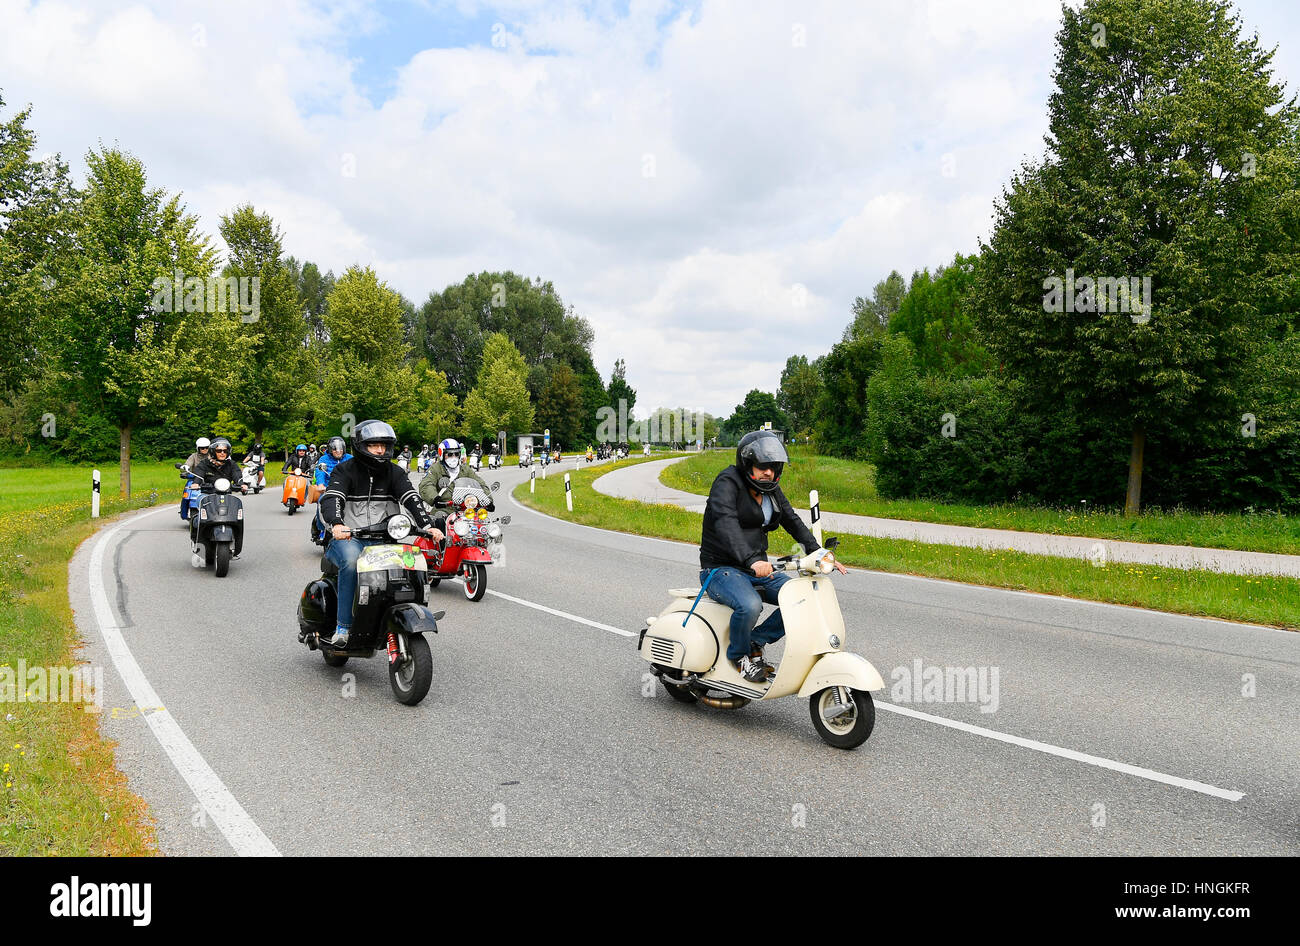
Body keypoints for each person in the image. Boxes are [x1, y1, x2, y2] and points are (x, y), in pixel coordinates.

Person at [698, 430, 846, 683]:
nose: (768, 472)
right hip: (721, 569)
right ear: (748, 465)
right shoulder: (727, 482)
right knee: (750, 605)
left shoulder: (770, 490)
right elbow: (726, 524)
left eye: (773, 467)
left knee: (804, 599)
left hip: (757, 568)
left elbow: (792, 520)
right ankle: (739, 657)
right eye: (762, 466)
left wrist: (820, 554)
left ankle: (756, 640)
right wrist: (750, 560)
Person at [318, 420, 441, 648]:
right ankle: (343, 628)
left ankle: (402, 614)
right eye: (374, 444)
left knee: (413, 559)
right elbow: (333, 497)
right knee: (353, 561)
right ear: (361, 445)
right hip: (349, 538)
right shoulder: (344, 470)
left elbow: (411, 498)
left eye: (384, 445)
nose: (380, 450)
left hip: (384, 539)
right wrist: (336, 524)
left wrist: (428, 525)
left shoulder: (394, 472)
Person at [418, 438, 495, 534]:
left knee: (482, 525)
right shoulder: (435, 469)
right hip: (444, 508)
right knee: (439, 520)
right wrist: (435, 498)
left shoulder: (465, 470)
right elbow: (426, 484)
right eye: (450, 454)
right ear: (442, 455)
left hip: (466, 509)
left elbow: (480, 483)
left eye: (456, 454)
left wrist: (488, 500)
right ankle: (442, 547)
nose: (453, 457)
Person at [180, 437, 211, 516]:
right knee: (186, 493)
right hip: (195, 478)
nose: (204, 449)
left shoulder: (212, 456)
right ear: (198, 448)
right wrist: (185, 468)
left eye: (206, 447)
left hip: (210, 479)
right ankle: (184, 512)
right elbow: (188, 463)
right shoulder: (194, 456)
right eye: (202, 448)